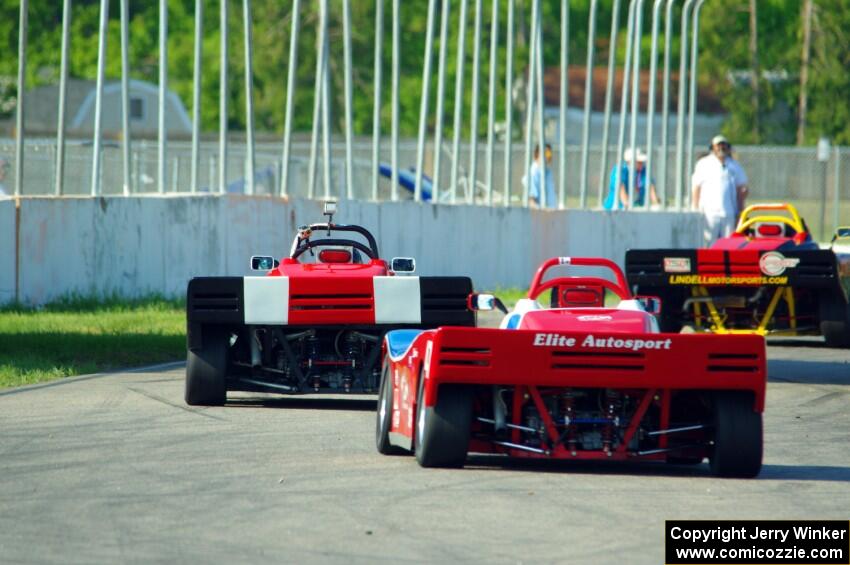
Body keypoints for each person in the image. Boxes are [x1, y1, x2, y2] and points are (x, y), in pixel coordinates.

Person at [691, 134, 749, 245]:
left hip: (729, 212)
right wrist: (695, 208)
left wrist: (741, 211)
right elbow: (696, 187)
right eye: (718, 146)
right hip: (709, 213)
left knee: (729, 244)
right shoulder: (704, 163)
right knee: (709, 243)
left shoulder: (734, 165)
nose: (721, 148)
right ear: (712, 148)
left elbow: (741, 189)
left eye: (724, 145)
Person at [524, 143, 557, 209]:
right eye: (546, 153)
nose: (549, 156)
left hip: (552, 215)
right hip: (540, 217)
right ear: (536, 155)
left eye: (549, 153)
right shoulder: (533, 174)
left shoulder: (547, 172)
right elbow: (531, 202)